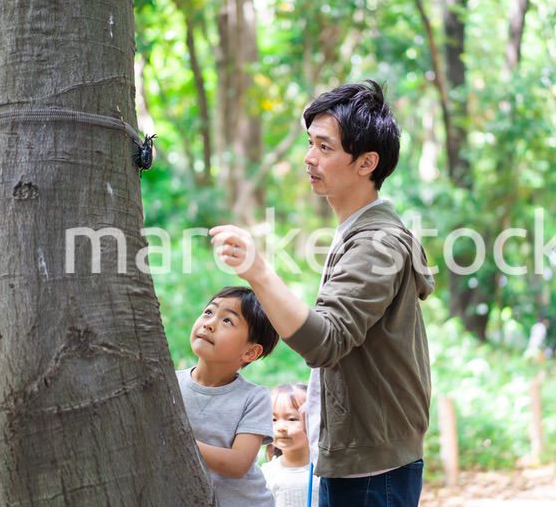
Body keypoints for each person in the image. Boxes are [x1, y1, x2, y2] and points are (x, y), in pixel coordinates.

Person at [210, 80, 435, 506]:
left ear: (367, 162)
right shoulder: (355, 233)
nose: (309, 158)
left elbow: (325, 342)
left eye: (325, 148)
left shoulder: (376, 244)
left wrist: (258, 271)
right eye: (310, 143)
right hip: (357, 459)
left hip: (373, 469)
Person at [176, 286, 280, 507]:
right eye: (208, 312)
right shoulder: (171, 384)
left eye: (227, 321)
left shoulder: (253, 397)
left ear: (251, 352)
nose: (210, 323)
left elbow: (238, 463)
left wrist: (177, 443)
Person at [262, 383, 320, 507]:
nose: (281, 427)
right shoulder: (266, 474)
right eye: (273, 419)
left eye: (292, 419)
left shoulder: (324, 470)